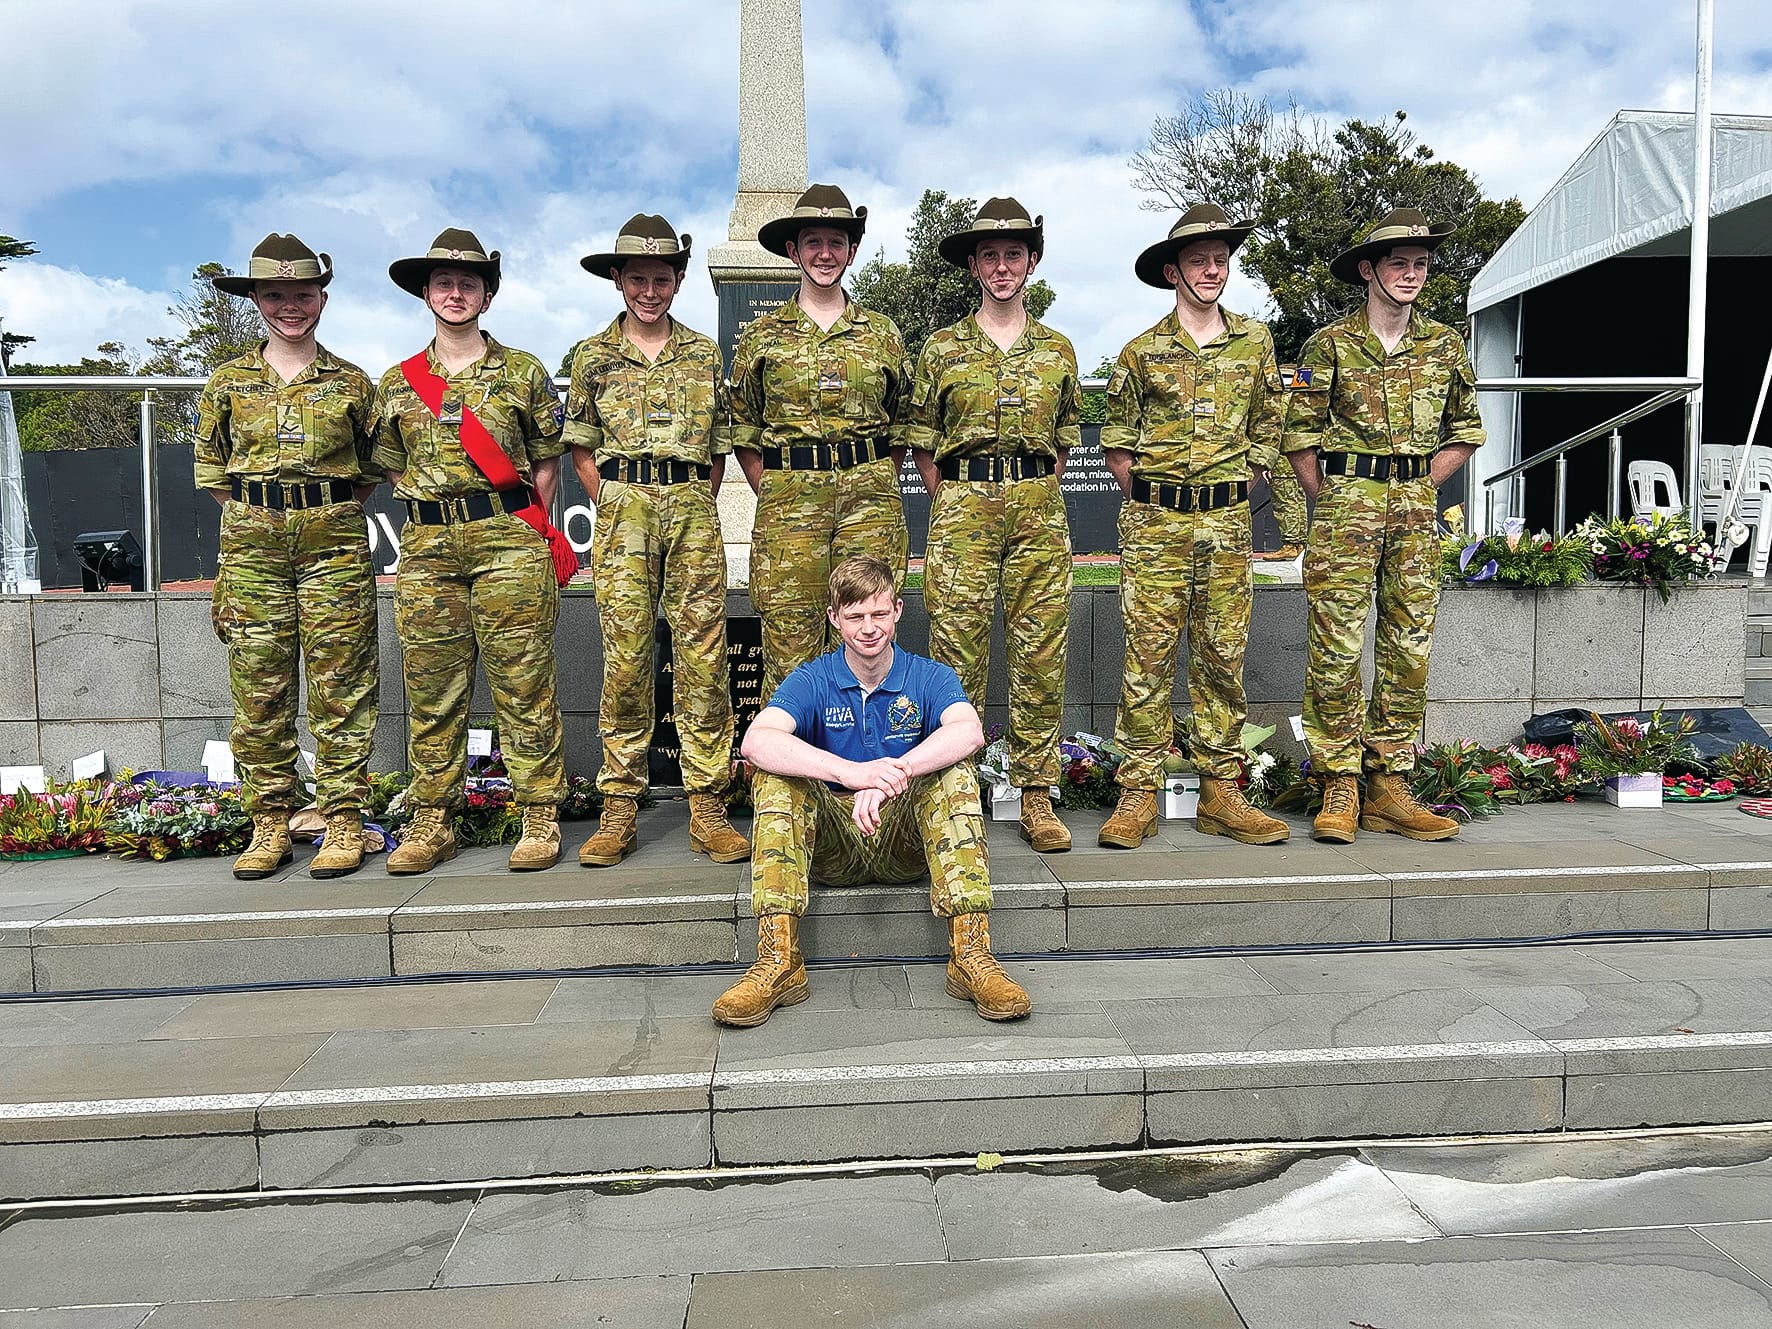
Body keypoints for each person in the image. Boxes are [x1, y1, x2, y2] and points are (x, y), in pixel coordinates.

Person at [712, 555, 1031, 1028]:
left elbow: (969, 732)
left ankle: (971, 955)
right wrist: (853, 772)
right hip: (832, 846)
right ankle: (778, 960)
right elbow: (757, 741)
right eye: (855, 616)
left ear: (898, 611)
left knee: (954, 774)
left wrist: (890, 774)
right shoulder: (813, 678)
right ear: (834, 618)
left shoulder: (929, 676)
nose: (868, 628)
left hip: (905, 842)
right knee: (777, 779)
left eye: (879, 614)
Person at [1281, 207, 1486, 843]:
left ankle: (1390, 784)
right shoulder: (1329, 345)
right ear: (1369, 271)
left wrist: (1419, 486)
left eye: (1421, 264)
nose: (1412, 274)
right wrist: (1339, 497)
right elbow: (1299, 438)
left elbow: (1467, 431)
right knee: (1336, 646)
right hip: (1347, 507)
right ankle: (1339, 781)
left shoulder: (1445, 343)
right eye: (1399, 263)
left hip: (1414, 513)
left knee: (1408, 645)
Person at [373, 227, 571, 873]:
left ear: (486, 293)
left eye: (468, 283)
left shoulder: (523, 371)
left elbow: (546, 462)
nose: (456, 293)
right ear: (425, 293)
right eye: (444, 283)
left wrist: (517, 522)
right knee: (431, 688)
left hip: (509, 543)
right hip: (429, 548)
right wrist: (441, 506)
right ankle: (433, 820)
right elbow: (392, 467)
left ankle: (540, 811)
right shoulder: (397, 383)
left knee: (524, 681)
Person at [1098, 205, 1291, 849]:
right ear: (1172, 270)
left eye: (1220, 259)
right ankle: (1137, 793)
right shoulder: (1140, 353)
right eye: (1198, 260)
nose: (1212, 270)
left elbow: (1270, 426)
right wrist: (1161, 503)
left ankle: (1221, 793)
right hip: (1157, 526)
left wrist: (1244, 485)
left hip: (1228, 524)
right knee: (1146, 660)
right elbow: (1118, 447)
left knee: (1221, 658)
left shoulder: (1256, 342)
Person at [565, 214, 749, 868]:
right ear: (618, 280)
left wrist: (689, 498)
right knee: (627, 658)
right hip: (623, 513)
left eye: (662, 278)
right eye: (638, 277)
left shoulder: (704, 352)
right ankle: (619, 808)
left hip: (691, 509)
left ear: (676, 281)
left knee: (703, 655)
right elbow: (581, 447)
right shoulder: (592, 356)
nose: (650, 289)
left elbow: (719, 447)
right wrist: (615, 500)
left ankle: (707, 803)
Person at [195, 234, 380, 881]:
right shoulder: (227, 383)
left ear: (321, 298)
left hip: (333, 544)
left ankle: (343, 820)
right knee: (261, 688)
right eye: (275, 295)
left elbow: (370, 472)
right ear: (255, 300)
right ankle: (270, 821)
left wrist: (316, 507)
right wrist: (265, 515)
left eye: (302, 294)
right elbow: (214, 473)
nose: (290, 307)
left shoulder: (353, 383)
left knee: (342, 686)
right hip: (252, 549)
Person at [907, 197, 1079, 854]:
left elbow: (1063, 439)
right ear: (974, 265)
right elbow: (924, 441)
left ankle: (1035, 794)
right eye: (990, 255)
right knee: (957, 662)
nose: (1002, 266)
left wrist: (1029, 490)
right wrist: (956, 500)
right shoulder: (944, 348)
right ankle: (956, 793)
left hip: (1038, 512)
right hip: (962, 512)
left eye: (1014, 253)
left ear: (1030, 261)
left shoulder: (1056, 348)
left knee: (1040, 658)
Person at [729, 184, 910, 694]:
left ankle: (866, 765)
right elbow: (744, 427)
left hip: (869, 498)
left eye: (837, 242)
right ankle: (791, 768)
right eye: (813, 242)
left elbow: (900, 425)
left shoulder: (882, 333)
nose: (825, 254)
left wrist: (868, 473)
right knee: (790, 640)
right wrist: (782, 484)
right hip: (789, 500)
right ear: (793, 250)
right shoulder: (761, 336)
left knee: (867, 634)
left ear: (852, 251)